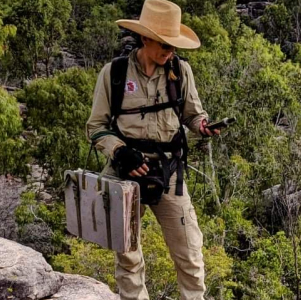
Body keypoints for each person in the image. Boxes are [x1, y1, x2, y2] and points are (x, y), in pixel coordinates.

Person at [85, 1, 219, 299]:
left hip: (169, 172)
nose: (170, 52)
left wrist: (203, 125)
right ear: (145, 38)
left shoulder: (180, 71)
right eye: (164, 45)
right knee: (128, 255)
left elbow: (193, 115)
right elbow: (95, 127)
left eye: (173, 46)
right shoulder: (114, 74)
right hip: (124, 172)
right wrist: (120, 152)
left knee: (190, 253)